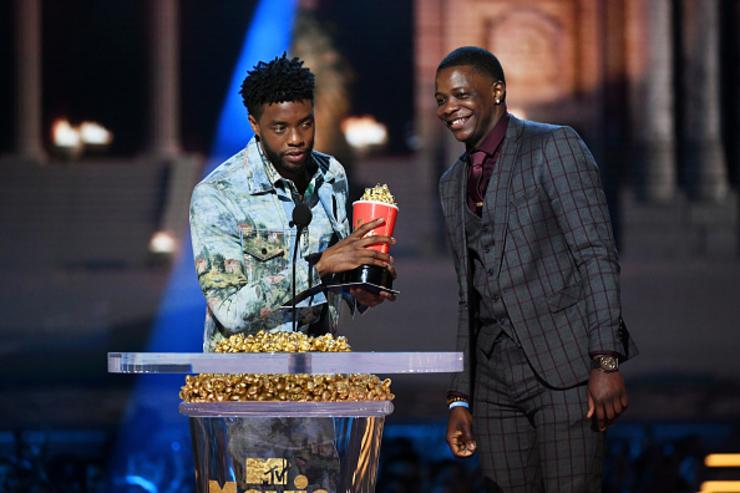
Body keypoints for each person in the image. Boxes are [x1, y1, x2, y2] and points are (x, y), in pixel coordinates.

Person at [435, 46, 638, 492]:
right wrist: (460, 396)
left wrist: (605, 360)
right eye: (442, 100)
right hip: (493, 383)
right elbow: (468, 297)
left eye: (461, 95)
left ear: (498, 91)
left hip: (564, 371)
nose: (450, 108)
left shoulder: (553, 145)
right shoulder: (451, 184)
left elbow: (596, 254)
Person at [189, 53, 395, 351]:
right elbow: (230, 311)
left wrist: (360, 288)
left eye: (306, 123)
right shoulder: (218, 195)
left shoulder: (332, 174)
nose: (297, 138)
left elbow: (335, 275)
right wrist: (319, 267)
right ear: (255, 125)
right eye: (280, 128)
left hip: (321, 375)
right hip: (245, 382)